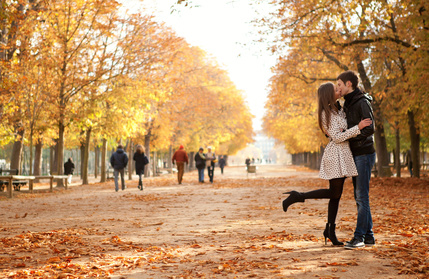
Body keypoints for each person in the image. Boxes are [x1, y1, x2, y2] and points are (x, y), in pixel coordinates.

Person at [282, 82, 372, 246]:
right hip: (335, 154)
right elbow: (337, 137)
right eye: (335, 90)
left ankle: (330, 230)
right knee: (333, 193)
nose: (339, 90)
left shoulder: (338, 109)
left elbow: (343, 129)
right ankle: (298, 196)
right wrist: (358, 127)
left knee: (335, 195)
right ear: (328, 95)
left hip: (343, 155)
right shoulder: (325, 114)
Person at [337, 70, 376, 249]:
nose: (338, 88)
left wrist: (350, 136)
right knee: (359, 196)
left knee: (361, 196)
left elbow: (370, 128)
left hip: (364, 153)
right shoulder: (348, 103)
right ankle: (368, 236)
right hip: (356, 153)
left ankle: (359, 237)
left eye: (339, 85)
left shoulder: (362, 102)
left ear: (349, 84)